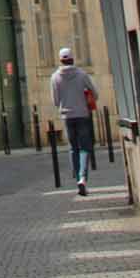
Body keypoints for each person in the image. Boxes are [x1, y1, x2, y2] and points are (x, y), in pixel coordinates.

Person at [50, 46, 99, 195]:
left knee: (73, 148)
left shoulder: (55, 77)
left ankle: (77, 177)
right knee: (84, 147)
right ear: (72, 59)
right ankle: (83, 178)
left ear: (60, 60)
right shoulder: (82, 74)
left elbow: (55, 101)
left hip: (67, 116)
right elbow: (95, 94)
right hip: (82, 114)